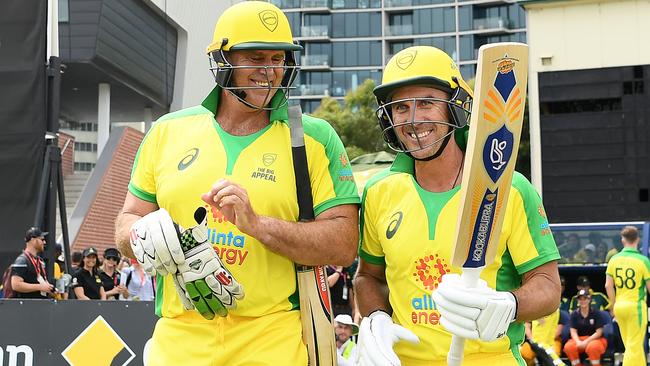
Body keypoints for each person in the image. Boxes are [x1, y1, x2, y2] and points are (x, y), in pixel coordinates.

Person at [113, 2, 359, 365]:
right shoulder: (167, 131)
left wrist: (258, 225)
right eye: (256, 58)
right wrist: (141, 234)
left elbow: (343, 245)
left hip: (271, 339)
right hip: (179, 338)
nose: (270, 71)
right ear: (222, 59)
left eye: (278, 59)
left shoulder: (316, 137)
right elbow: (125, 223)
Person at [354, 46, 561, 365]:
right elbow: (368, 277)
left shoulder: (510, 188)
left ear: (455, 108)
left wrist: (509, 304)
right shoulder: (379, 191)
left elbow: (547, 286)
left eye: (426, 103)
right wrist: (376, 317)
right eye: (399, 107)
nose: (412, 120)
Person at [605, 226, 650, 366]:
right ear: (638, 239)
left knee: (632, 347)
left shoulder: (614, 259)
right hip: (635, 307)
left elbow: (608, 285)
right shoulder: (643, 261)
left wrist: (613, 305)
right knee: (634, 347)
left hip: (619, 306)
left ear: (622, 240)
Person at [563, 289, 607, 365]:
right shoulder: (574, 314)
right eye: (580, 299)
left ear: (589, 299)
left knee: (593, 347)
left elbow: (599, 332)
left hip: (595, 339)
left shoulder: (596, 313)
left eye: (585, 298)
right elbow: (573, 331)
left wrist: (586, 342)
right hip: (579, 339)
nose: (582, 301)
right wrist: (578, 342)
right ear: (578, 301)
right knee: (569, 347)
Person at [9, 227, 54, 299]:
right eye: (42, 239)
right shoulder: (22, 260)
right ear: (33, 240)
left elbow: (39, 282)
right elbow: (16, 285)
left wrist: (48, 289)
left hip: (39, 305)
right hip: (26, 307)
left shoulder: (39, 260)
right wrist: (40, 287)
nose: (44, 242)